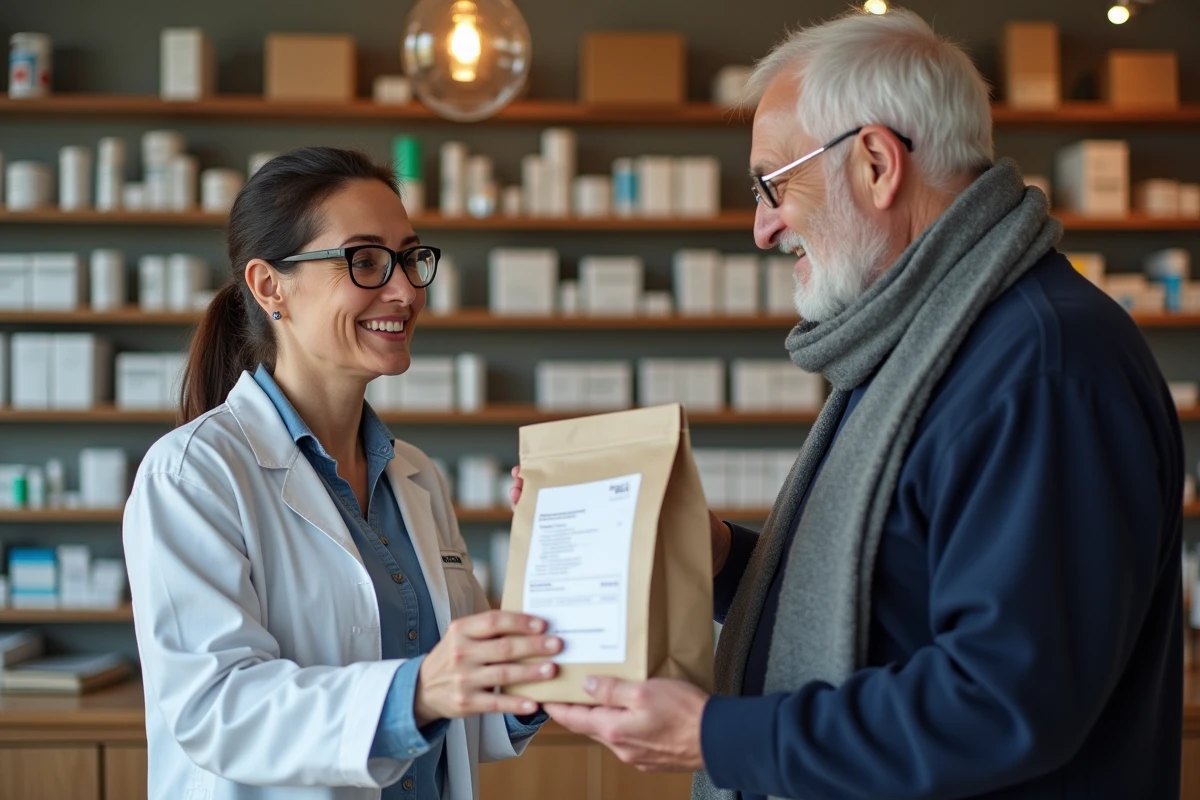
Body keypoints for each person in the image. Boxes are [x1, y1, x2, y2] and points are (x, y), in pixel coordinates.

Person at [538, 10, 1184, 799]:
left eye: (773, 183)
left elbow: (1004, 702)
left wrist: (713, 734)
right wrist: (711, 557)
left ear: (877, 163)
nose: (762, 226)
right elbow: (887, 601)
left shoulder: (1041, 366)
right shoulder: (925, 343)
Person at [124, 146, 560, 800]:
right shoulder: (194, 474)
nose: (406, 290)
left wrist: (553, 581)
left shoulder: (413, 476)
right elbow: (216, 708)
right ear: (271, 287)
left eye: (411, 257)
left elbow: (464, 709)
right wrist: (419, 691)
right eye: (364, 261)